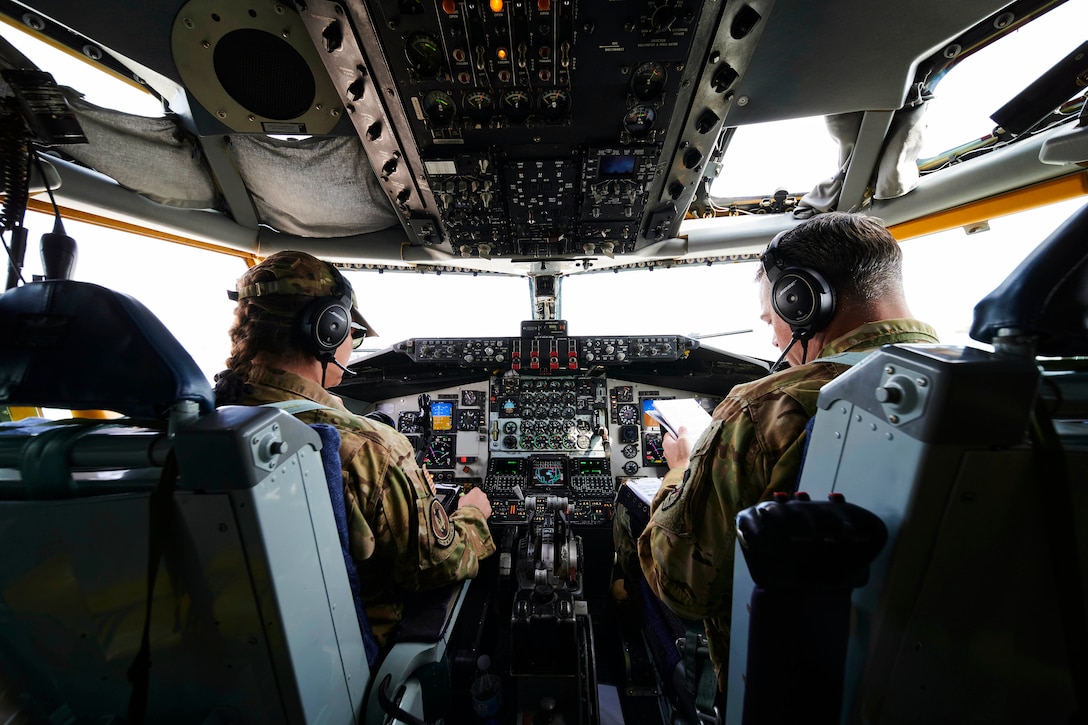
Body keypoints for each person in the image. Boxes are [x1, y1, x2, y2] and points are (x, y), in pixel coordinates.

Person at [613, 212, 939, 694]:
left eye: (772, 318)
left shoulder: (766, 407)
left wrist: (679, 471)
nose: (772, 338)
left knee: (633, 529)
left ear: (803, 300)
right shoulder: (1000, 392)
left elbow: (681, 585)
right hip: (929, 678)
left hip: (781, 688)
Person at [213, 250, 495, 647]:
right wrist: (473, 515)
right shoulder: (369, 447)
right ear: (327, 329)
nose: (352, 343)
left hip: (224, 644)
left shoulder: (196, 421)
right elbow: (438, 563)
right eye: (353, 334)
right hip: (349, 660)